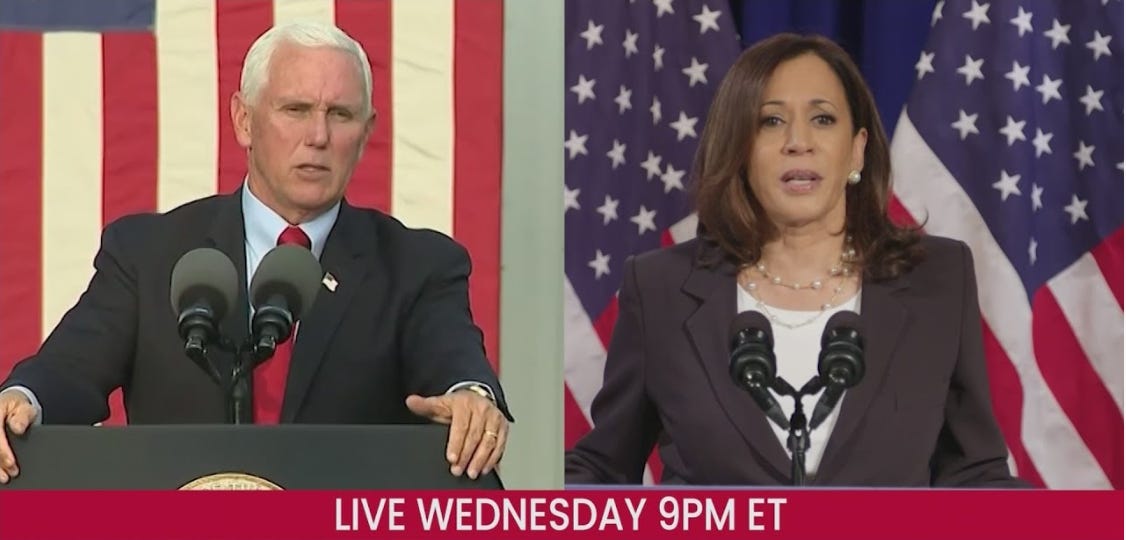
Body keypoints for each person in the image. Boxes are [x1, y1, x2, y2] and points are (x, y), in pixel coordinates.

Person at [0, 22, 511, 484]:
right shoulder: (148, 253)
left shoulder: (417, 266)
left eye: (340, 114)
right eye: (296, 110)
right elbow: (68, 369)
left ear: (366, 134)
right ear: (244, 121)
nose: (318, 136)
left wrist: (472, 398)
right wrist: (20, 400)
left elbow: (454, 362)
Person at [565, 33, 1022, 487]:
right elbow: (604, 467)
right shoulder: (661, 290)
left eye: (823, 119)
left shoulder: (937, 280)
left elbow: (974, 474)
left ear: (857, 149)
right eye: (770, 121)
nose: (798, 141)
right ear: (739, 149)